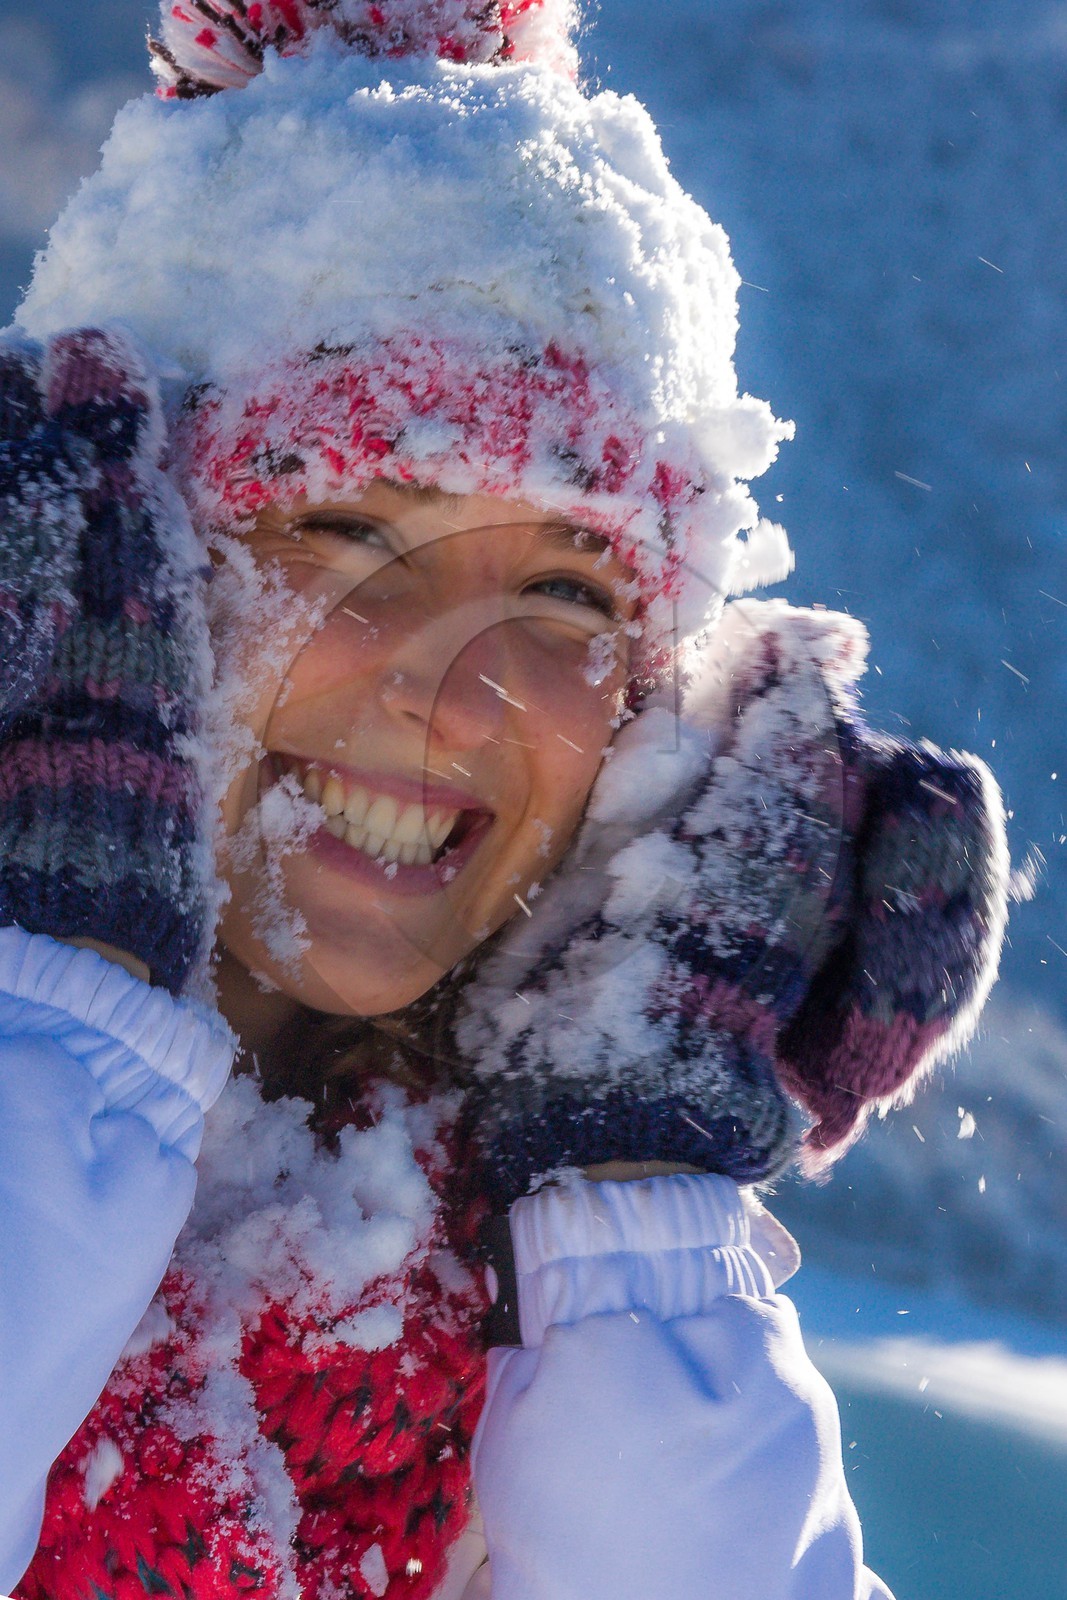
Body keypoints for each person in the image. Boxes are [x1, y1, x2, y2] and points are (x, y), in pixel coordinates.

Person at [0, 3, 1011, 1597]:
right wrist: (46, 1026)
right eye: (339, 530)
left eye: (564, 588)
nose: (456, 690)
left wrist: (638, 1230)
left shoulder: (523, 1278)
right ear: (108, 571)